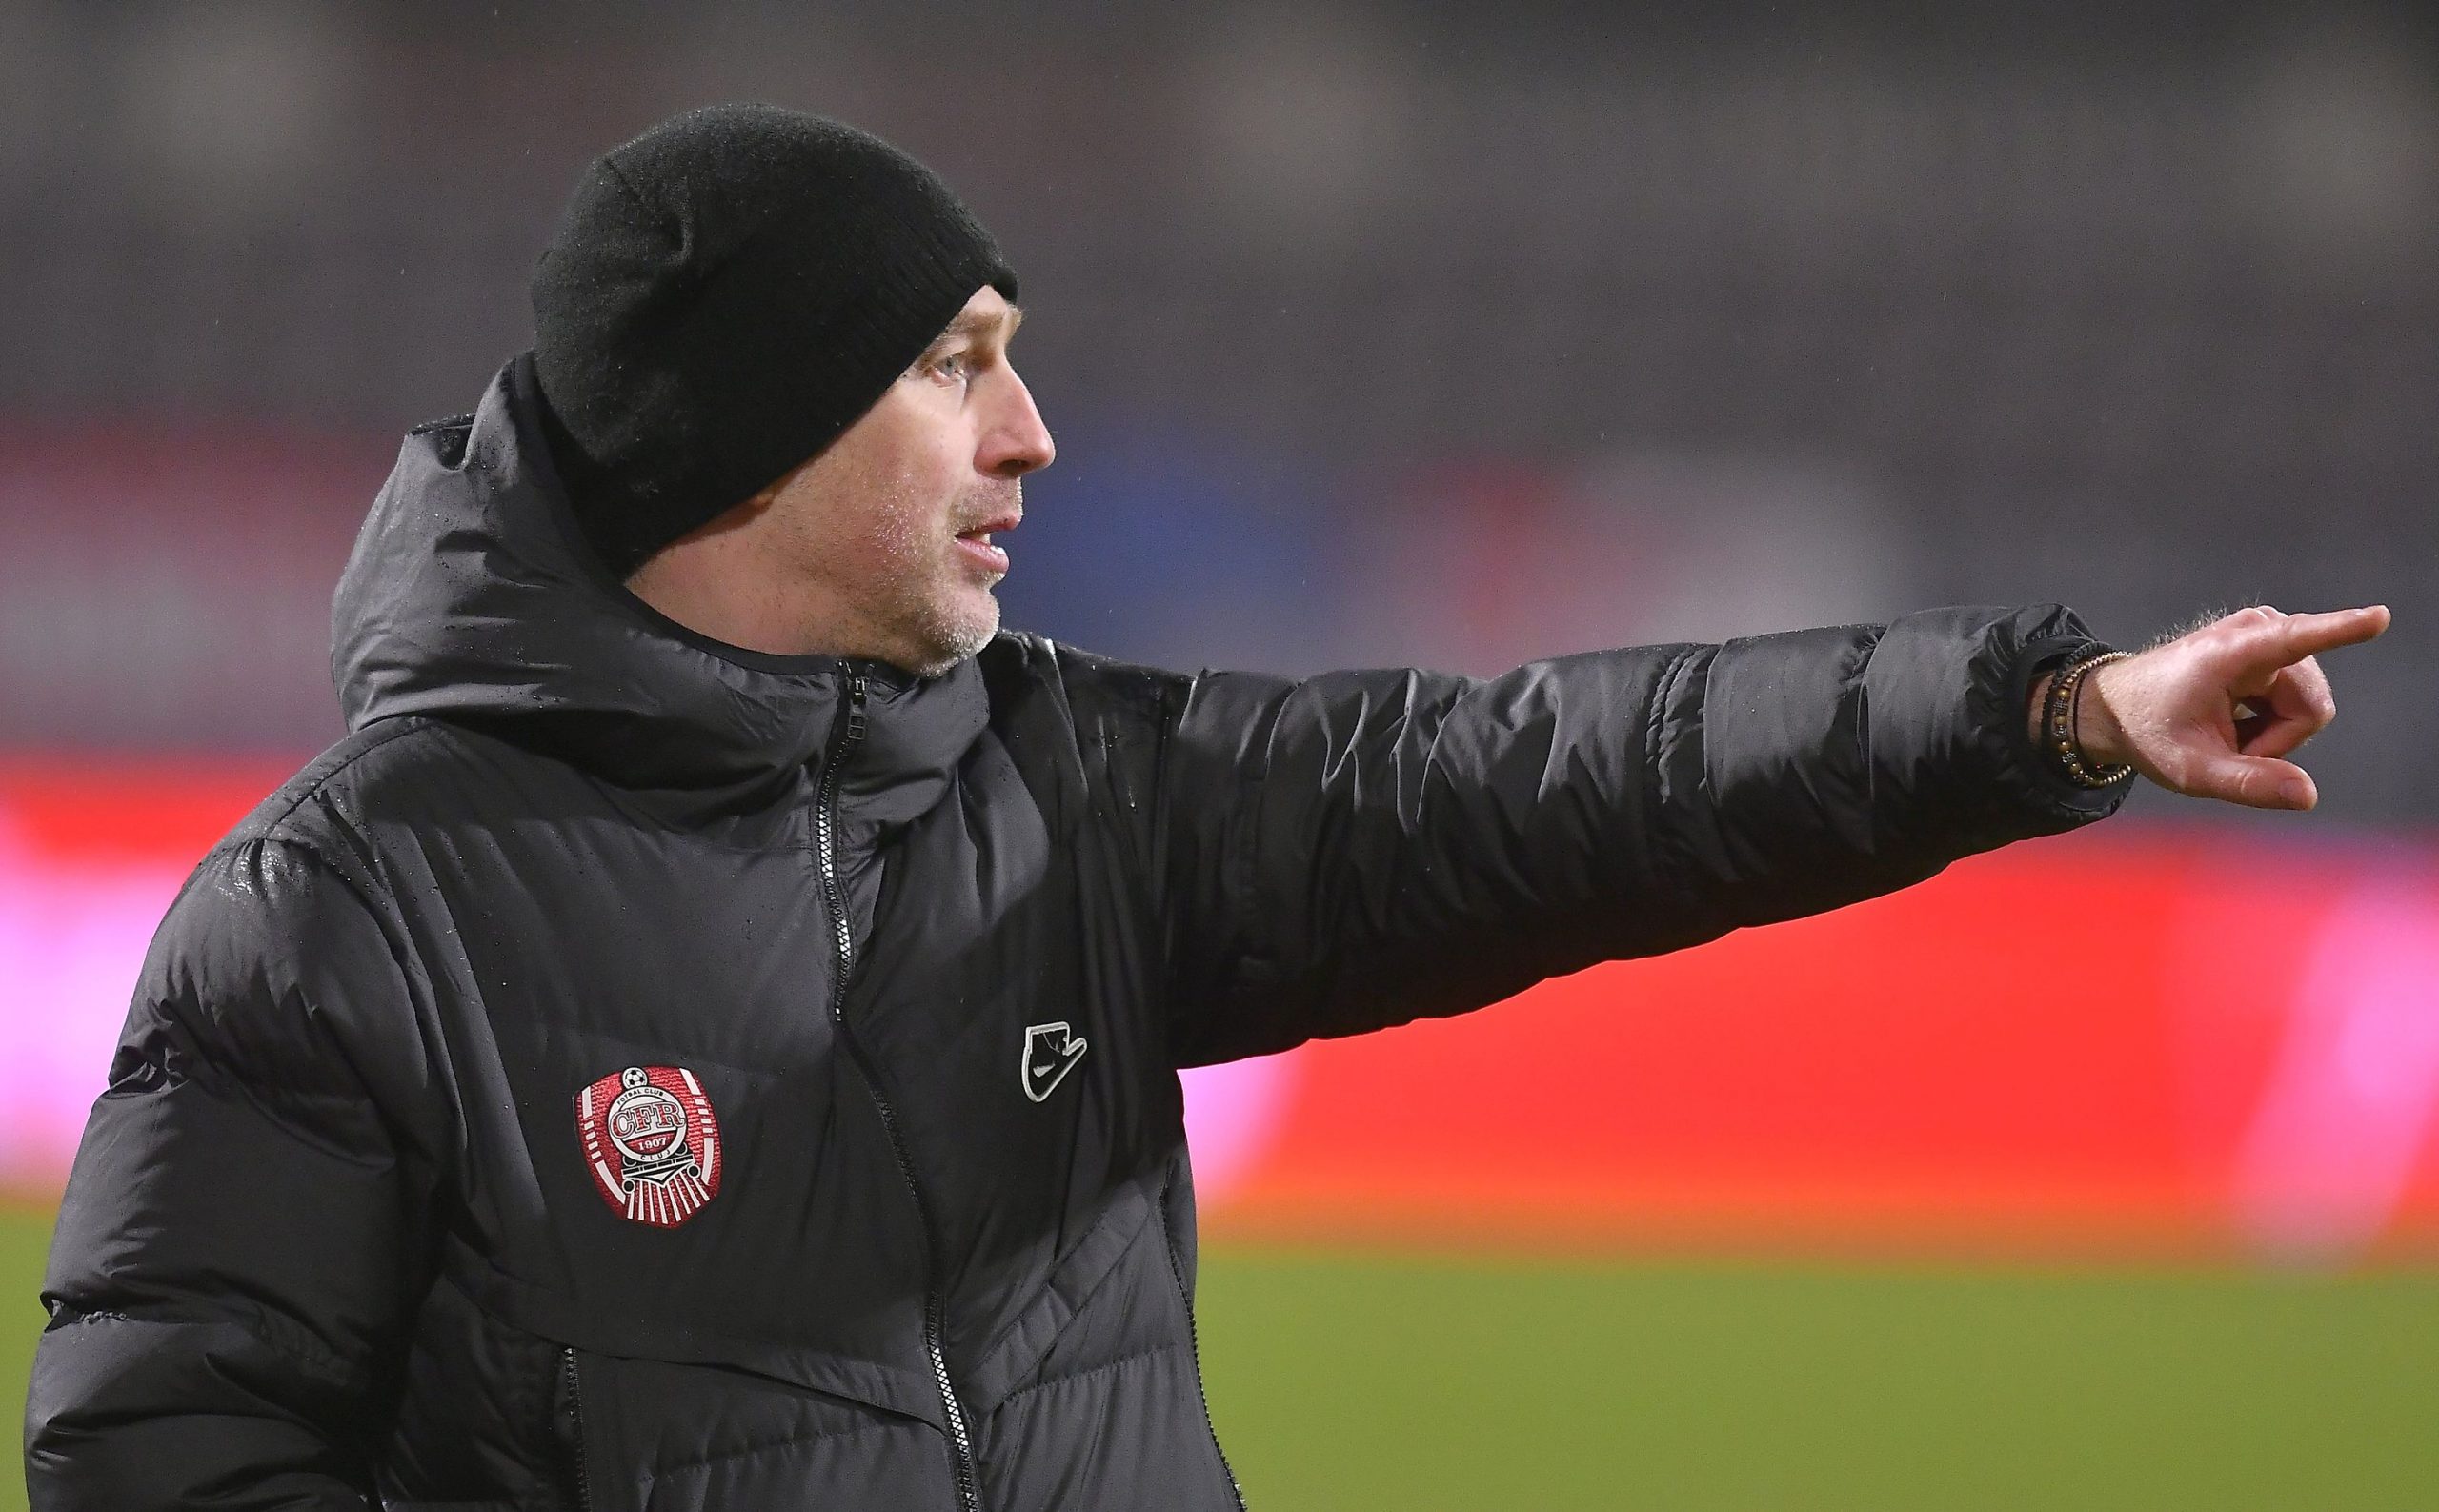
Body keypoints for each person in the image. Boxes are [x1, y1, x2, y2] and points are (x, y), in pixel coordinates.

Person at [24, 104, 2388, 1512]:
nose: (1029, 434)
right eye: (952, 366)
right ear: (750, 434)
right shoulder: (342, 911)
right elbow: (163, 1463)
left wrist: (2046, 713)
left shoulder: (1071, 785)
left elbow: (1544, 782)